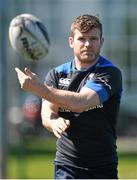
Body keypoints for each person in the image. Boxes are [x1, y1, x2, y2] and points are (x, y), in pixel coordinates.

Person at [15, 14, 123, 179]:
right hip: (67, 166)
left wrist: (38, 89)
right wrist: (53, 121)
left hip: (102, 166)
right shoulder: (57, 74)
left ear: (101, 42)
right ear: (71, 41)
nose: (88, 44)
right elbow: (47, 113)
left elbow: (82, 102)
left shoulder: (110, 73)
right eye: (82, 38)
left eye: (93, 39)